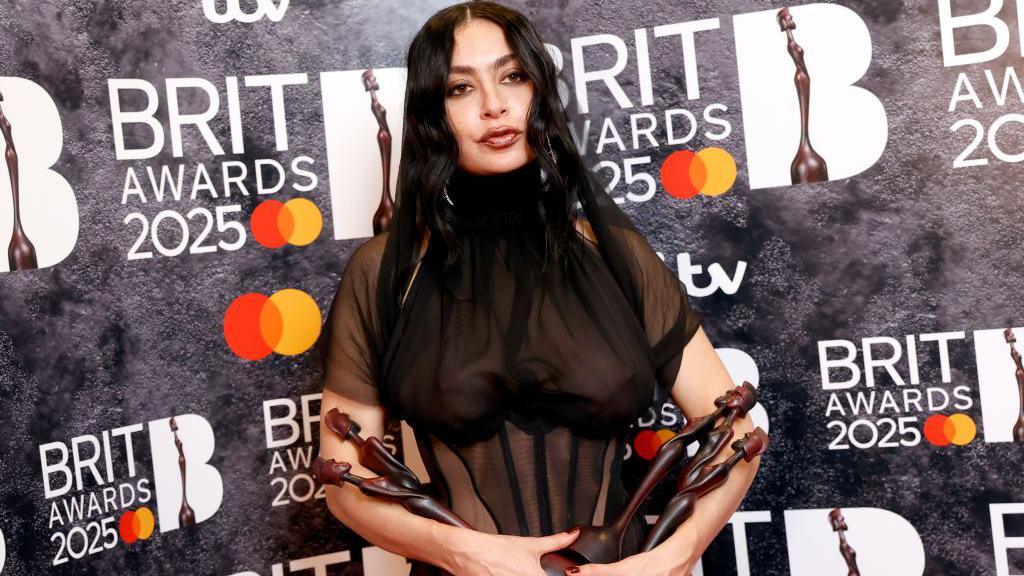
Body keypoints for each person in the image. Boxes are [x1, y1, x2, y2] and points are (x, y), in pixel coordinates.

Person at [317, 2, 762, 575]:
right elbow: (344, 481)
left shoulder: (614, 255)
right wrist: (464, 553)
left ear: (539, 91)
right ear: (432, 112)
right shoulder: (385, 273)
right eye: (460, 88)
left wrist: (674, 557)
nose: (494, 105)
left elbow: (737, 437)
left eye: (513, 76)